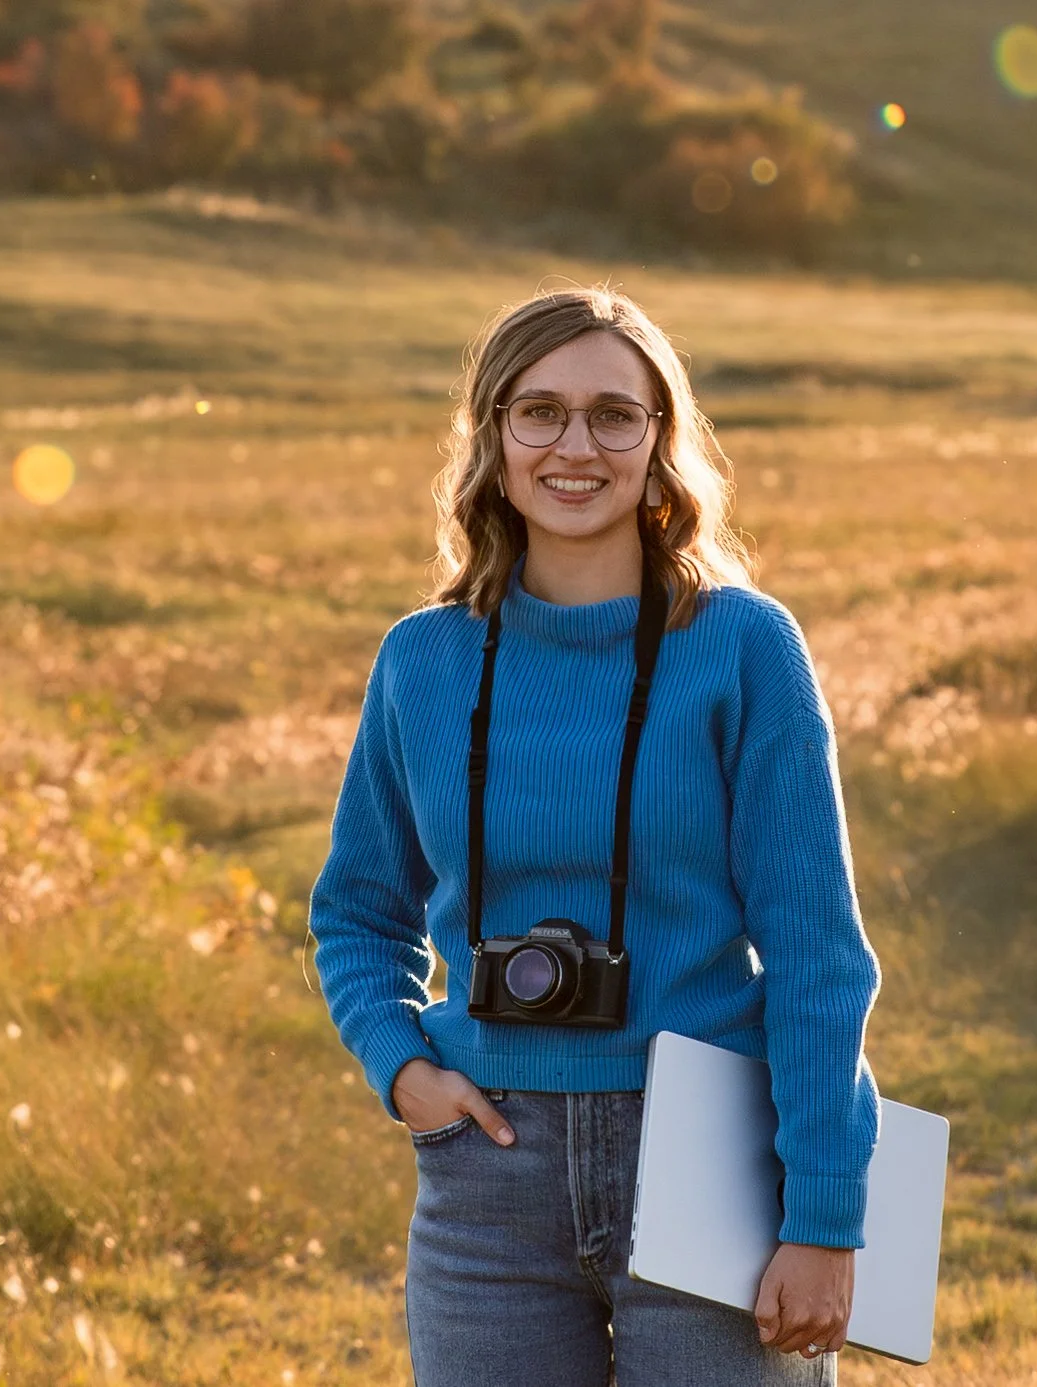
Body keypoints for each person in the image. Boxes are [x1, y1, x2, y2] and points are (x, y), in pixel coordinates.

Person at [308, 286, 883, 1387]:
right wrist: (399, 1067)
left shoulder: (742, 648)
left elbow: (816, 953)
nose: (577, 446)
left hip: (710, 1147)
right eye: (540, 412)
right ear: (493, 437)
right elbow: (356, 911)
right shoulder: (422, 660)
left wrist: (823, 1213)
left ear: (661, 444)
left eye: (615, 415)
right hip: (489, 1170)